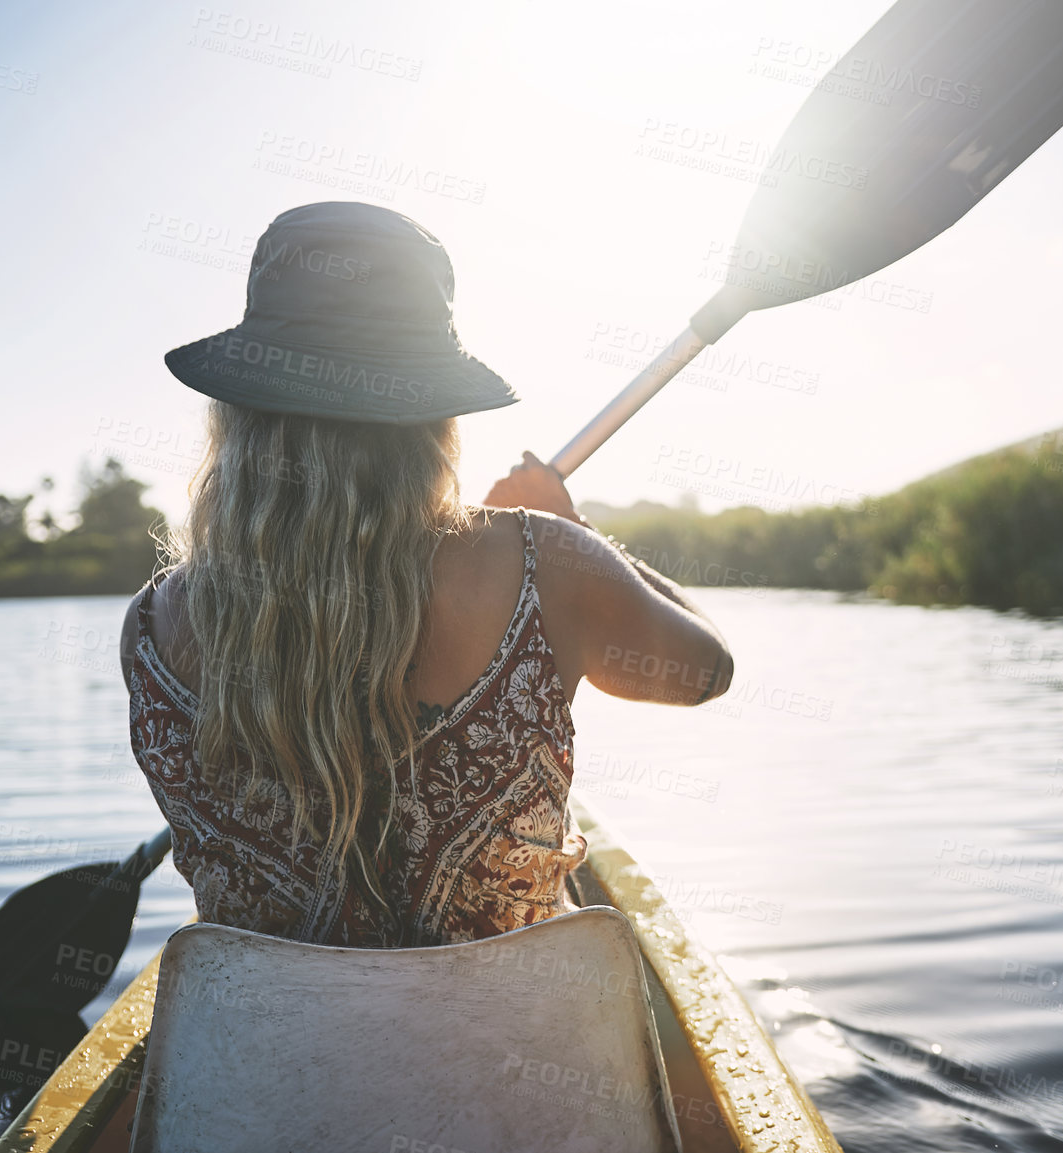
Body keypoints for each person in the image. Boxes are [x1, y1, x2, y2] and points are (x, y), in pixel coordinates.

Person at [118, 202, 732, 949]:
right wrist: (573, 531)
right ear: (434, 414)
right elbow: (704, 672)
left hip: (273, 1049)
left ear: (240, 415)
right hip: (516, 1049)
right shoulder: (548, 561)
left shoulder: (152, 624)